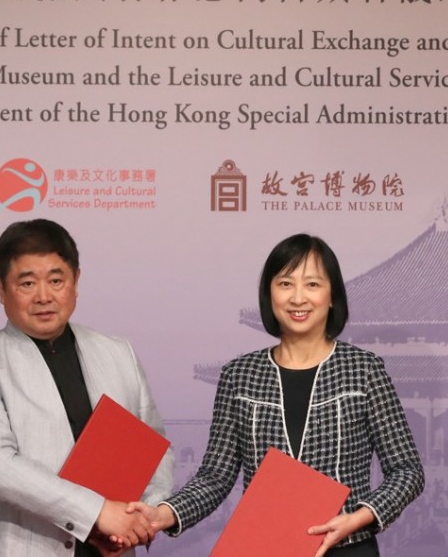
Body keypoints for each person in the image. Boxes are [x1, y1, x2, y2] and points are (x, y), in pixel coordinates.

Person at [127, 234, 424, 556]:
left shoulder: (363, 369)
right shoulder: (239, 376)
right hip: (264, 546)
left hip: (348, 547)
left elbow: (407, 470)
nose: (298, 298)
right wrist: (162, 514)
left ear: (333, 296)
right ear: (269, 294)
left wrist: (359, 517)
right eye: (285, 284)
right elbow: (215, 477)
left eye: (312, 284)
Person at [0, 219, 173, 557]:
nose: (44, 296)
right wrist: (97, 513)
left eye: (56, 280)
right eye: (27, 283)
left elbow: (153, 445)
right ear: (1, 288)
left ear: (75, 281)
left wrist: (142, 517)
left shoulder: (117, 352)